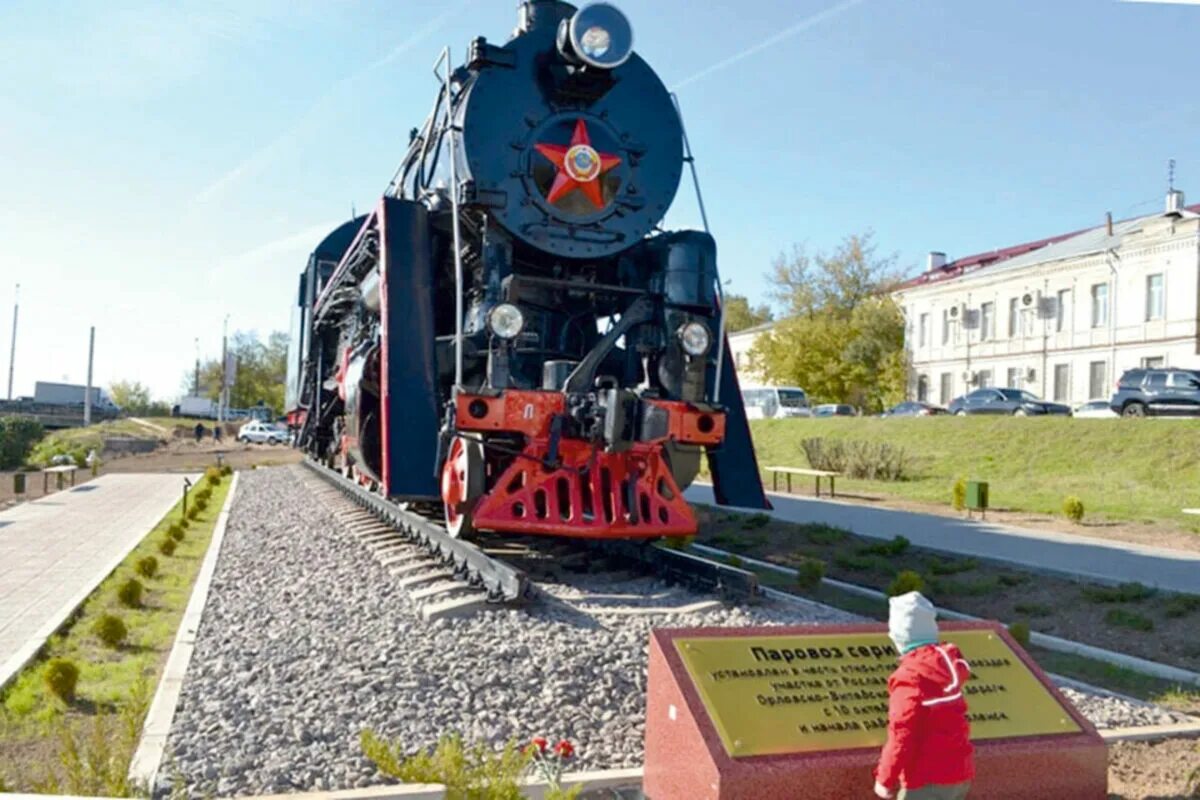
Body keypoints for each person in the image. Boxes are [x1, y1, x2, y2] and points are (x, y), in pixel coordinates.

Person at [873, 591, 974, 800]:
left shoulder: (910, 677)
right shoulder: (949, 665)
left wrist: (884, 778)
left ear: (899, 636)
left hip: (925, 780)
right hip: (959, 774)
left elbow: (902, 732)